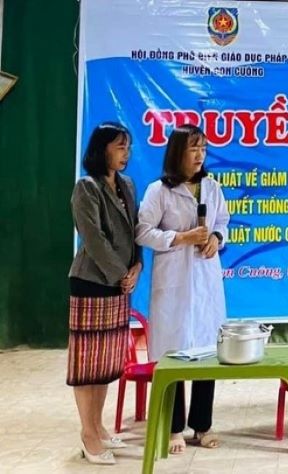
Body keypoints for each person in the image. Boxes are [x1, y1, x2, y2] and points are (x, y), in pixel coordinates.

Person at [136, 124, 229, 454]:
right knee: (173, 353)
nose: (200, 154)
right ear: (178, 152)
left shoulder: (212, 187)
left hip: (206, 279)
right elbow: (143, 231)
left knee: (207, 350)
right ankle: (174, 427)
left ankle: (202, 425)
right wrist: (180, 238)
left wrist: (216, 239)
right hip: (173, 281)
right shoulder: (159, 190)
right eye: (193, 148)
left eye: (203, 148)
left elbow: (222, 223)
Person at [67, 122, 142, 465]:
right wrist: (119, 274)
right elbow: (93, 238)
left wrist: (136, 267)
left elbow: (135, 232)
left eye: (128, 147)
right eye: (120, 147)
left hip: (120, 283)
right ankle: (88, 434)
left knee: (106, 361)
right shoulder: (87, 187)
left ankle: (99, 426)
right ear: (102, 150)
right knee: (87, 364)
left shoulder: (127, 185)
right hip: (92, 282)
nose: (126, 153)